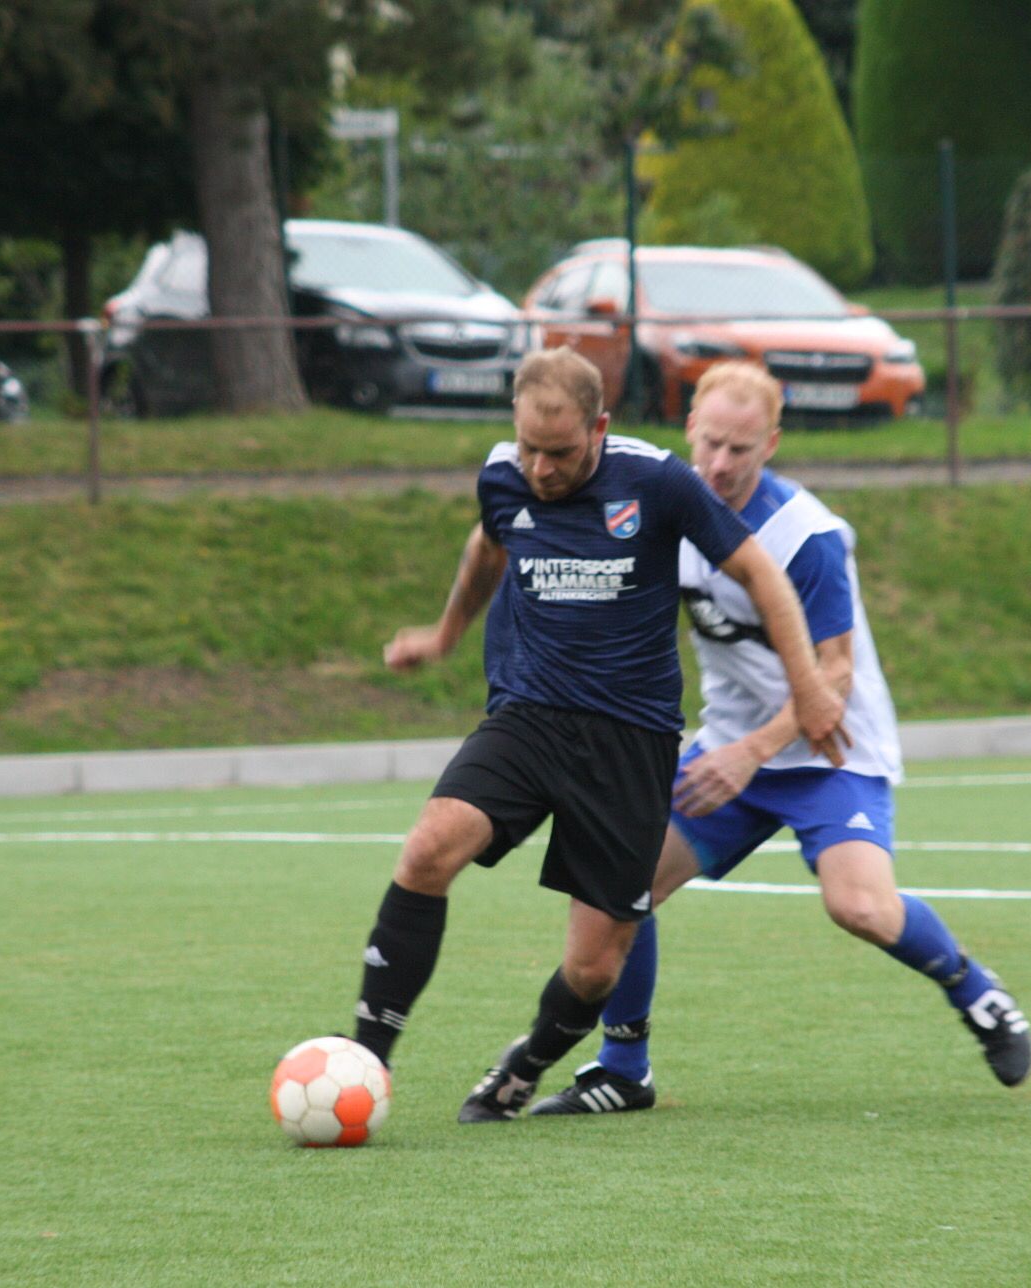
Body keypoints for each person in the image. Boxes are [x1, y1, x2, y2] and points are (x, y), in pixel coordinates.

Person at [352, 347, 847, 1123]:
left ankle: (529, 1062)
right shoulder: (504, 477)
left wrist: (810, 687)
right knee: (428, 847)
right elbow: (489, 545)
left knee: (592, 970)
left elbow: (761, 574)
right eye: (529, 449)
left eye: (560, 452)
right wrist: (447, 634)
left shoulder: (658, 482)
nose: (541, 470)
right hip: (527, 717)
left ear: (599, 428)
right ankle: (365, 1063)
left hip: (630, 742)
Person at [528, 360, 1031, 1117]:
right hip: (730, 750)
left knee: (860, 906)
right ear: (689, 428)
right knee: (619, 877)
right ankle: (623, 1068)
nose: (722, 465)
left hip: (830, 750)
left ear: (773, 443)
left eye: (741, 449)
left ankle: (975, 990)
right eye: (711, 444)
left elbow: (833, 680)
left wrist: (751, 753)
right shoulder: (669, 508)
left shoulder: (808, 538)